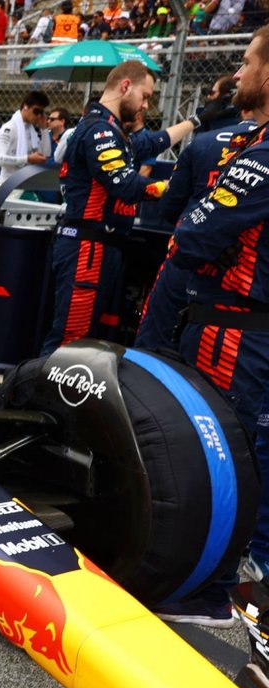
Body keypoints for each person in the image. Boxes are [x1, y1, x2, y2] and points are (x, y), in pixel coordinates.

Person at [151, 27, 269, 624]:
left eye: (248, 61)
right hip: (252, 329)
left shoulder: (262, 156)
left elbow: (194, 230)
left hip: (239, 330)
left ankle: (213, 593)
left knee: (231, 455)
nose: (239, 71)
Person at [40, 61, 198, 355]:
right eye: (146, 96)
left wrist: (197, 121)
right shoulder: (99, 130)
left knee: (81, 340)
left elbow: (151, 142)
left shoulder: (111, 130)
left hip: (99, 247)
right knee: (69, 340)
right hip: (88, 248)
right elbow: (127, 187)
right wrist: (178, 184)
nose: (145, 106)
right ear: (126, 86)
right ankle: (35, 399)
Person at [134, 110, 259, 350]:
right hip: (242, 276)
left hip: (186, 257)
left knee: (155, 342)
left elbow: (169, 208)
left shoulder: (204, 142)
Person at [0, 90, 51, 197]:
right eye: (36, 111)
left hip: (25, 185)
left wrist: (44, 130)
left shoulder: (31, 131)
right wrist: (27, 159)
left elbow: (45, 155)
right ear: (25, 107)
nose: (38, 116)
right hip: (7, 185)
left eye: (41, 113)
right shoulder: (10, 128)